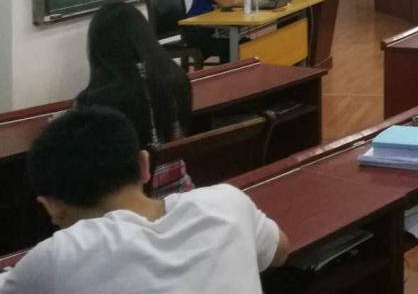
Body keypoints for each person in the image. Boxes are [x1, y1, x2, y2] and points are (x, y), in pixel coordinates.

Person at [0, 106, 288, 294]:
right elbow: (279, 251)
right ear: (144, 165)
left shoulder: (58, 257)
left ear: (51, 207)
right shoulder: (227, 202)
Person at [75, 3, 193, 199]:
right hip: (180, 191)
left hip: (133, 204)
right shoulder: (176, 79)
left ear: (99, 48)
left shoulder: (95, 101)